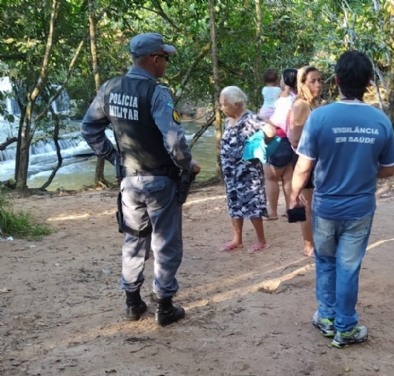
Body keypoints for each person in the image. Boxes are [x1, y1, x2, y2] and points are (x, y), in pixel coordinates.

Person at [80, 32, 201, 326]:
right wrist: (188, 164)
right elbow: (173, 140)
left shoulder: (110, 89)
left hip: (129, 183)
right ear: (154, 59)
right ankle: (164, 306)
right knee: (165, 243)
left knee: (133, 240)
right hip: (160, 182)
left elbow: (89, 129)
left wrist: (114, 157)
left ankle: (133, 302)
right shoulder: (157, 93)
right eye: (166, 58)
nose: (167, 64)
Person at [289, 50, 394, 348]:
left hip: (325, 206)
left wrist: (293, 195)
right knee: (348, 267)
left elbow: (304, 165)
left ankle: (326, 317)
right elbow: (389, 169)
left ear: (336, 81)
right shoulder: (380, 120)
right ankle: (346, 327)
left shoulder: (320, 117)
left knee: (325, 262)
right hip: (360, 207)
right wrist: (362, 169)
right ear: (367, 82)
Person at [219, 86, 277, 253]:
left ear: (236, 104)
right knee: (234, 204)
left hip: (248, 173)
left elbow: (271, 131)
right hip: (231, 173)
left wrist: (258, 142)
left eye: (224, 104)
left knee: (252, 204)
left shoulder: (250, 118)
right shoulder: (227, 121)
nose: (222, 108)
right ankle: (237, 239)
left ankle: (262, 240)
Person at [289, 66, 322, 257]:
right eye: (312, 81)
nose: (317, 84)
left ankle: (316, 241)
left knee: (316, 204)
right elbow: (294, 138)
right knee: (307, 205)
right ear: (302, 84)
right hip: (304, 159)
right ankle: (308, 245)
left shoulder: (315, 104)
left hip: (315, 159)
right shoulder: (301, 105)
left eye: (319, 80)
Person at [264, 68, 297, 220]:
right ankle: (290, 209)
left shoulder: (284, 100)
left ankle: (272, 211)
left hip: (278, 140)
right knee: (288, 177)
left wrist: (262, 122)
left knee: (271, 177)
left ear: (286, 81)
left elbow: (277, 120)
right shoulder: (297, 98)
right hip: (292, 143)